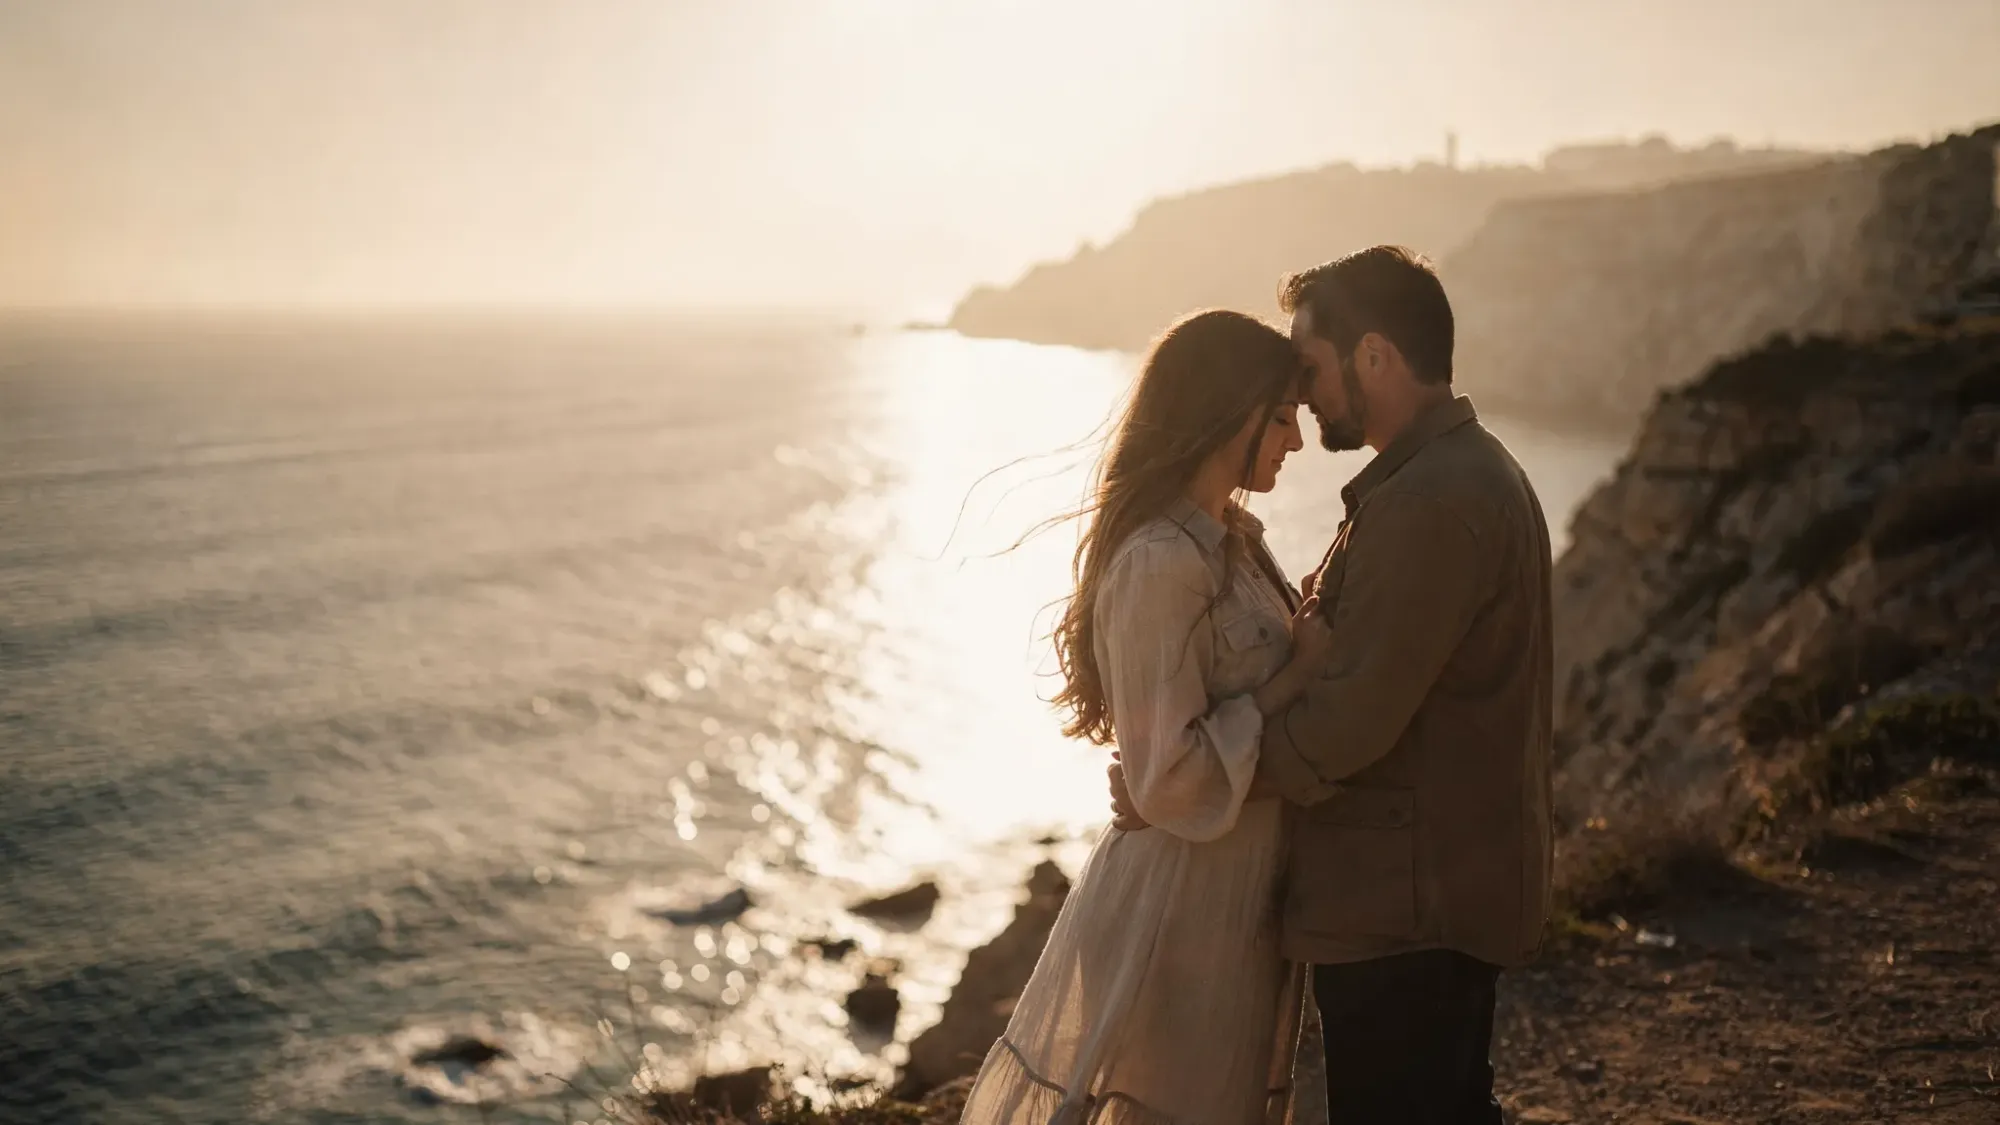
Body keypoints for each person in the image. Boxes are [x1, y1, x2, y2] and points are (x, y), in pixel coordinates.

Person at [1110, 245, 1555, 1125]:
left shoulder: (1433, 499)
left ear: (1376, 356)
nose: (1303, 397)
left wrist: (1184, 782)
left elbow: (1349, 721)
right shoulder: (1445, 477)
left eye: (1310, 368)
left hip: (1408, 907)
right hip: (1424, 890)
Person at [957, 308, 1333, 1125]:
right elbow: (1165, 776)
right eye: (1279, 418)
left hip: (1232, 899)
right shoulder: (1161, 561)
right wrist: (1294, 674)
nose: (1296, 442)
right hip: (1180, 912)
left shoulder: (1230, 540)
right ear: (1224, 412)